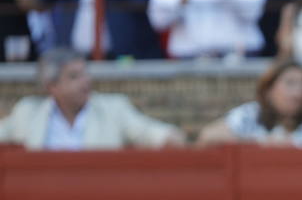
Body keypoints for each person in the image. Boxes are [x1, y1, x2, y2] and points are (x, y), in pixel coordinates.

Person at [0, 48, 185, 149]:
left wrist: (170, 137)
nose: (85, 82)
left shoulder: (113, 109)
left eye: (85, 74)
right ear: (52, 86)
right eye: (74, 77)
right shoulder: (28, 113)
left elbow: (149, 132)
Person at [199, 59, 302, 145]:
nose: (300, 91)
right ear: (269, 90)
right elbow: (207, 136)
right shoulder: (250, 114)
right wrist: (262, 142)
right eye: (290, 83)